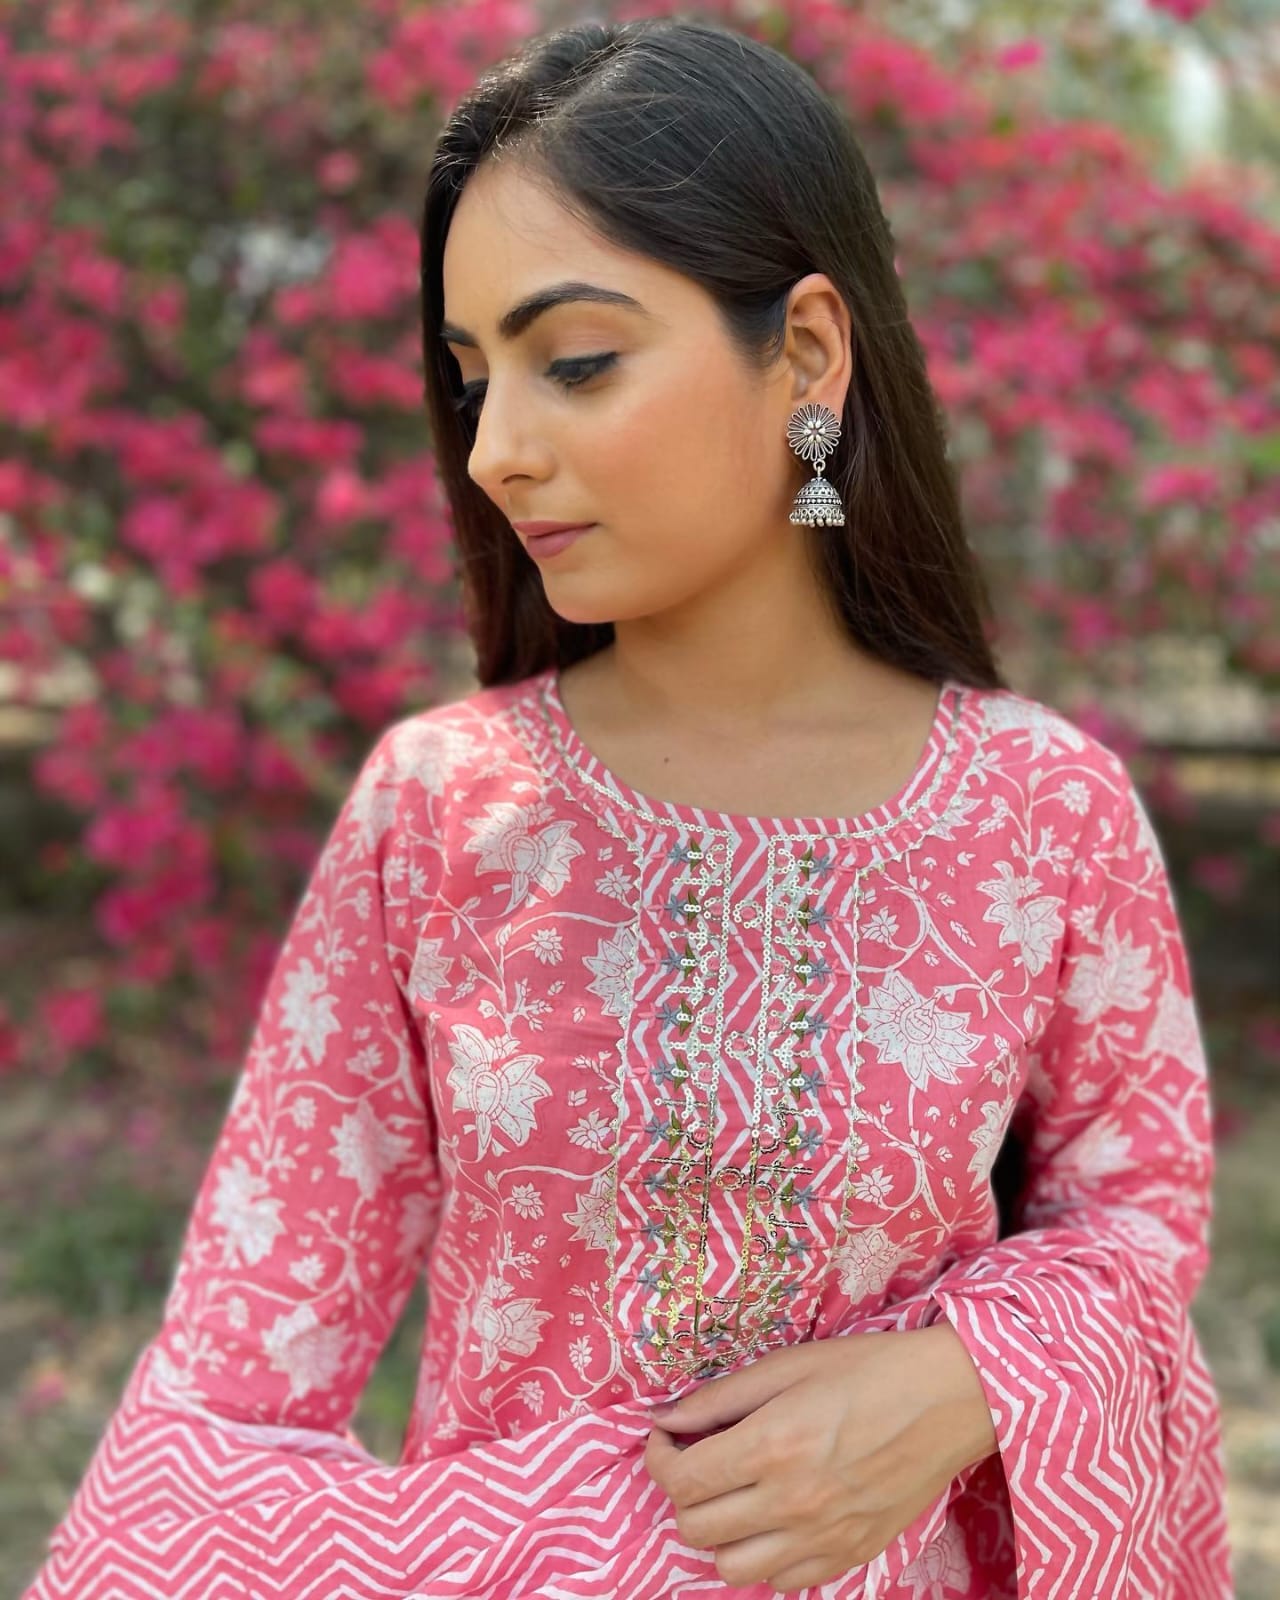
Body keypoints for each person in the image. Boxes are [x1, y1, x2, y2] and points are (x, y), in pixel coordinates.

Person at [22, 14, 1231, 1599]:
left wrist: (960, 1382)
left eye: (576, 362)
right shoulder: (442, 810)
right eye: (472, 382)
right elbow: (232, 1383)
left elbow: (1141, 1229)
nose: (496, 453)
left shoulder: (1041, 812)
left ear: (807, 354)